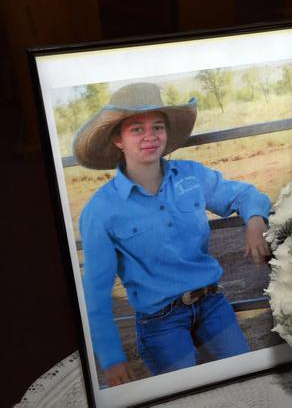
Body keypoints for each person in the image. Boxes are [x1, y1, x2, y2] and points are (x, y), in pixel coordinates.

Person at [73, 82, 271, 386]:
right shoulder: (101, 211)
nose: (150, 137)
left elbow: (245, 195)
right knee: (187, 396)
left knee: (248, 381)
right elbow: (96, 294)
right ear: (117, 139)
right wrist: (112, 358)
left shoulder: (191, 176)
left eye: (158, 127)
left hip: (211, 304)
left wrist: (255, 224)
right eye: (137, 129)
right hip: (160, 323)